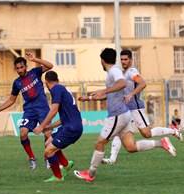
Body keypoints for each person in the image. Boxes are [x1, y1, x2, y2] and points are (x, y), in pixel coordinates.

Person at [73, 48, 176, 182]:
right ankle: (161, 143)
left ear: (102, 61)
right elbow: (113, 94)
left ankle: (90, 174)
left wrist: (104, 90)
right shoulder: (114, 72)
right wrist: (91, 98)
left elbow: (122, 84)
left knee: (99, 143)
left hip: (117, 115)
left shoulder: (114, 72)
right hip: (124, 114)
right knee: (130, 147)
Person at [102, 49, 182, 164]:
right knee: (119, 132)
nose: (123, 61)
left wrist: (131, 94)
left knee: (146, 133)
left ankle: (173, 131)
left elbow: (143, 83)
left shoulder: (132, 71)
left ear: (130, 59)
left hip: (135, 108)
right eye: (122, 59)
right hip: (125, 110)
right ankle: (112, 159)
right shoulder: (122, 74)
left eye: (126, 59)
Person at [0, 52, 53, 170]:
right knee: (23, 133)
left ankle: (48, 157)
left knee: (48, 133)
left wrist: (35, 59)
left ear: (26, 66)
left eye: (21, 67)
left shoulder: (35, 72)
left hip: (43, 108)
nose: (19, 70)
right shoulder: (17, 83)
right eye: (17, 68)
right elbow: (11, 100)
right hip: (29, 110)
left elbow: (50, 66)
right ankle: (32, 158)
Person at [33, 71, 83, 182]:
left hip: (71, 128)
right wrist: (49, 127)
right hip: (70, 125)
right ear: (57, 79)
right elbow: (63, 118)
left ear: (46, 82)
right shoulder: (62, 89)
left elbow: (54, 110)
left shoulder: (56, 89)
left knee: (48, 151)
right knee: (48, 144)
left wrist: (41, 126)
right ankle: (66, 164)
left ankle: (58, 177)